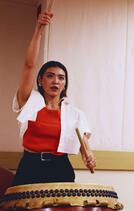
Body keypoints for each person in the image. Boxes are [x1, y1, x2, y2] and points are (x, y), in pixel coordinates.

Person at [12, 9, 96, 186]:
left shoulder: (74, 113)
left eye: (61, 77)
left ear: (65, 83)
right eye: (50, 76)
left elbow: (84, 144)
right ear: (40, 80)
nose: (55, 81)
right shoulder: (29, 101)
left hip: (60, 168)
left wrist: (88, 156)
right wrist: (39, 29)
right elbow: (29, 65)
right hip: (30, 166)